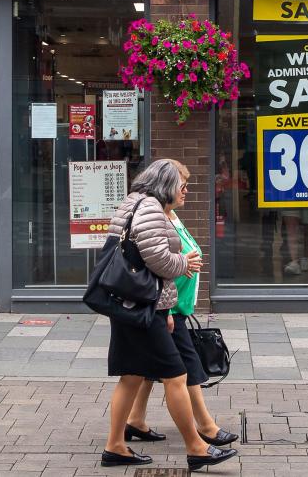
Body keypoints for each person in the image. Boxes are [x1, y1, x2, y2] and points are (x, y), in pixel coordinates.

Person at [100, 159, 238, 471]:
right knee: (176, 376)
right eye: (182, 185)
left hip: (131, 304)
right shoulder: (150, 208)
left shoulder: (133, 202)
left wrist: (167, 306)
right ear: (165, 185)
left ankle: (115, 446)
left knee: (131, 376)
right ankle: (197, 446)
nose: (186, 190)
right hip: (142, 308)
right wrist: (183, 263)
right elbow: (158, 260)